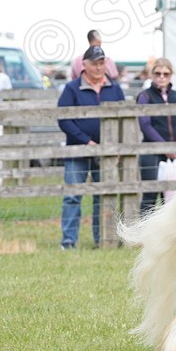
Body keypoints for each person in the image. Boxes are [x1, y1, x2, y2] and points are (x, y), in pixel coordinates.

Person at [57, 45, 126, 250]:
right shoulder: (72, 88)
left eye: (101, 63)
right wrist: (86, 141)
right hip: (78, 150)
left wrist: (118, 146)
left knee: (102, 196)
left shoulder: (114, 88)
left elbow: (124, 118)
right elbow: (64, 119)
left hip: (106, 151)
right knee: (72, 195)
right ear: (84, 65)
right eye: (94, 63)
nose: (98, 67)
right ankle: (69, 241)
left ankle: (102, 239)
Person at [136, 58, 176, 216]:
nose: (161, 77)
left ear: (171, 75)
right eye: (158, 73)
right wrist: (165, 148)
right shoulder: (145, 96)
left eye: (165, 74)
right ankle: (145, 231)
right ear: (152, 75)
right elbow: (145, 125)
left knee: (175, 196)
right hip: (152, 152)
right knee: (150, 197)